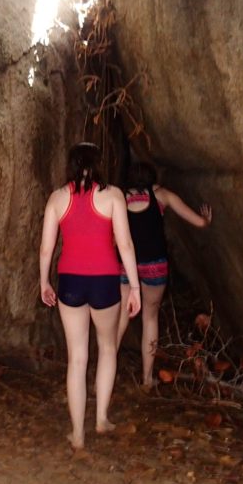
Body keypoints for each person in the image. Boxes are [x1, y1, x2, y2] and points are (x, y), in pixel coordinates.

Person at [39, 143, 141, 452]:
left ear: (71, 164)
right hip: (105, 283)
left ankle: (78, 435)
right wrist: (135, 287)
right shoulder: (113, 196)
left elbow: (46, 247)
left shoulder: (57, 198)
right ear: (98, 163)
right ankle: (100, 419)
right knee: (107, 348)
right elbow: (124, 243)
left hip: (70, 282)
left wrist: (43, 281)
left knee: (77, 358)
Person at [116, 161, 212, 388]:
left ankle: (106, 370)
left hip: (126, 267)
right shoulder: (162, 195)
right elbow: (198, 222)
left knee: (121, 316)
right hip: (154, 266)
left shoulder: (118, 197)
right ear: (151, 178)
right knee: (150, 317)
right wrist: (206, 220)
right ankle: (147, 378)